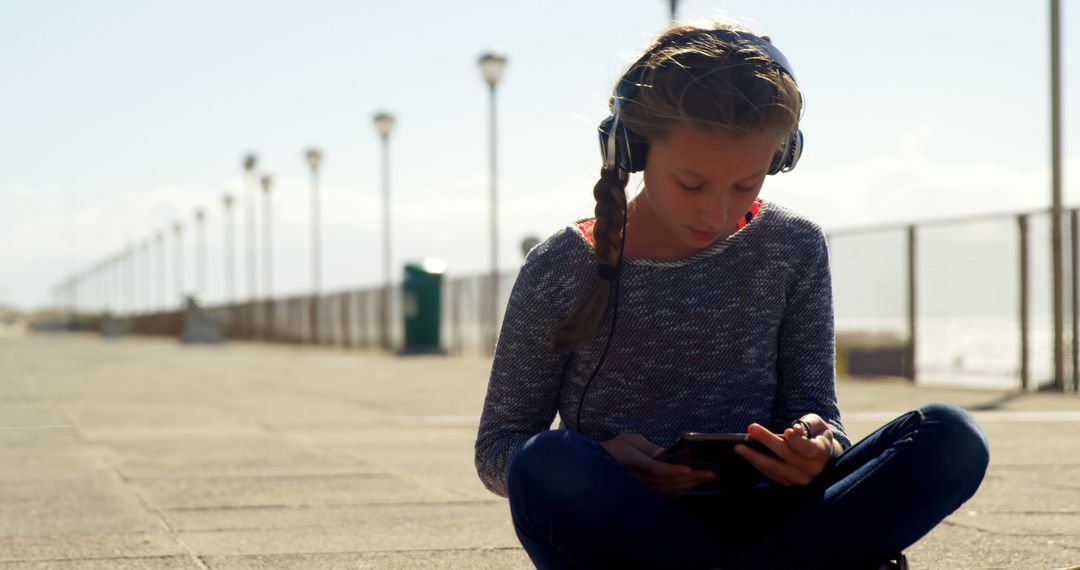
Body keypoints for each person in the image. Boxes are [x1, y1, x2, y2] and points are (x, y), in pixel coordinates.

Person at [474, 21, 989, 570]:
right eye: (691, 184)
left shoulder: (794, 246)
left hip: (776, 513)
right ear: (633, 149)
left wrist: (818, 446)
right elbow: (499, 449)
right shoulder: (560, 266)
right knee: (545, 463)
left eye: (747, 184)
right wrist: (606, 458)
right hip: (630, 524)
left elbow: (816, 411)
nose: (715, 213)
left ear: (781, 157)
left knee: (952, 438)